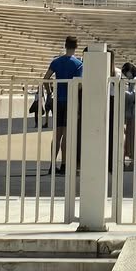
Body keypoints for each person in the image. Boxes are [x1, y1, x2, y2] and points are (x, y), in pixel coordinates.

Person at [47, 35, 84, 174]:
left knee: (57, 134)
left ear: (65, 45)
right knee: (67, 134)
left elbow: (46, 78)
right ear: (76, 46)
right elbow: (79, 85)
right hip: (71, 100)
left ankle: (52, 164)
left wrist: (49, 93)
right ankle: (64, 163)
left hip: (58, 99)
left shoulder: (56, 62)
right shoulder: (78, 64)